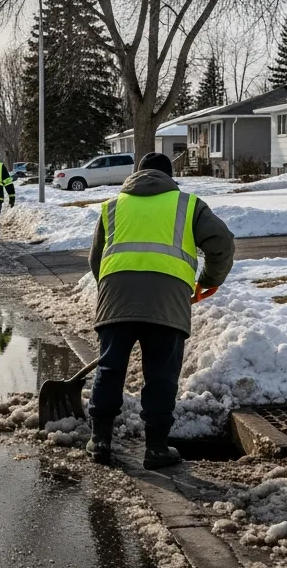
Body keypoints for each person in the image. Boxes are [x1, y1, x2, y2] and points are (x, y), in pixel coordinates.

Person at [86, 152, 235, 469]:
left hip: (117, 297)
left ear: (136, 174)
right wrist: (208, 280)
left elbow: (96, 259)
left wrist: (112, 289)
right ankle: (155, 449)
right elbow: (221, 242)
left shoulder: (113, 207)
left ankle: (100, 441)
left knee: (110, 368)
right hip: (167, 301)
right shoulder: (187, 205)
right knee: (161, 375)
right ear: (170, 177)